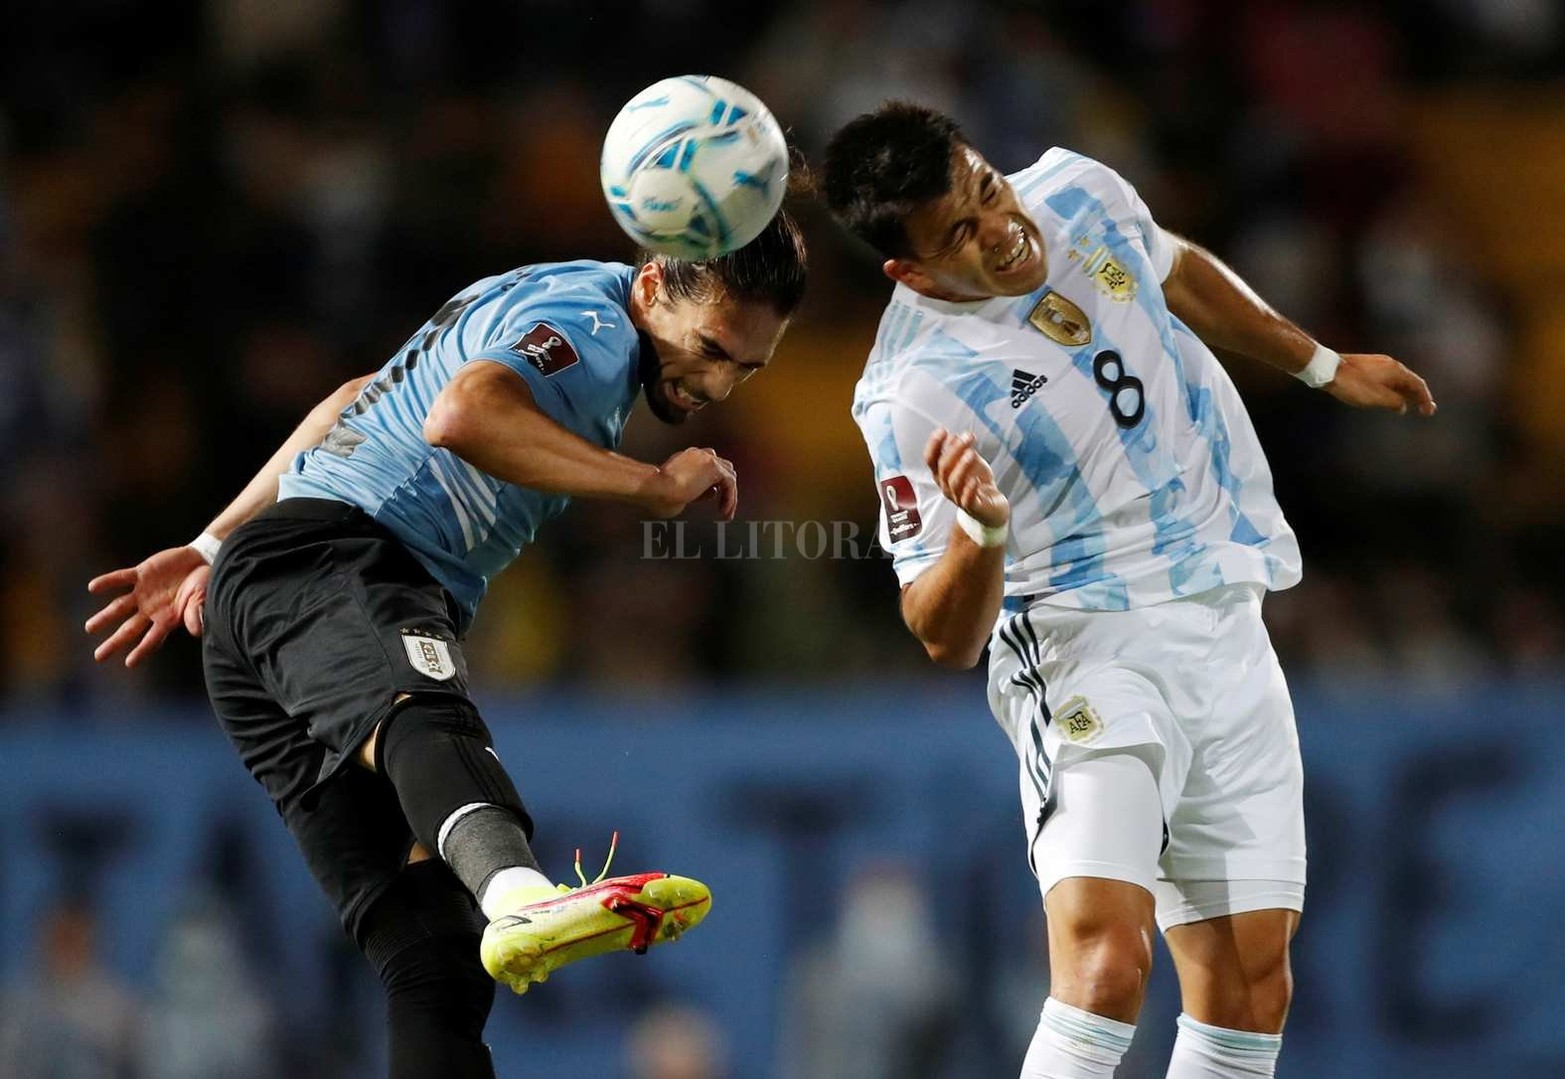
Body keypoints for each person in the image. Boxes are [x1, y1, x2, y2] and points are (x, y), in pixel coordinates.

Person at [85, 211, 808, 1078]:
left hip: (274, 599)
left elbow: (363, 393)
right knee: (424, 714)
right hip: (337, 562)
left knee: (432, 953)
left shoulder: (551, 295)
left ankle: (497, 909)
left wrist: (211, 543)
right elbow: (461, 414)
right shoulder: (593, 326)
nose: (720, 384)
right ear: (653, 287)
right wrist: (650, 486)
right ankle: (520, 894)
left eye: (747, 367)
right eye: (714, 348)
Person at [823, 103, 1432, 1079]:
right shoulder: (912, 391)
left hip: (1220, 608)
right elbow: (939, 633)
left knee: (1248, 976)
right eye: (959, 234)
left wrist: (1320, 364)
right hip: (1075, 642)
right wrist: (980, 533)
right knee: (1104, 959)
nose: (1000, 226)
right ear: (909, 270)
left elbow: (1174, 263)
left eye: (985, 188)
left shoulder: (1077, 189)